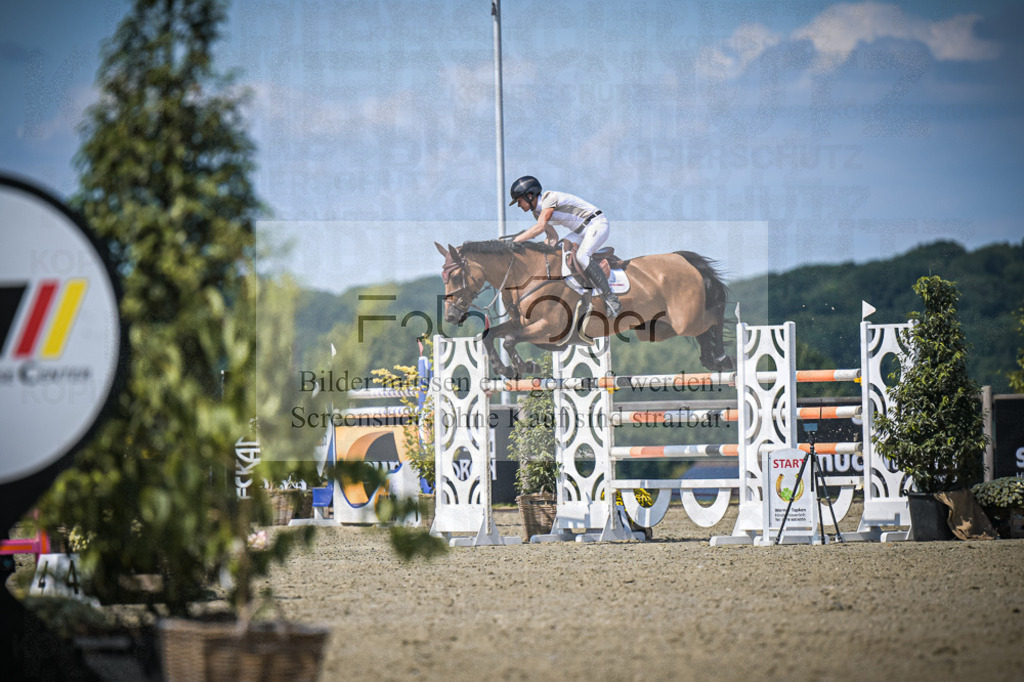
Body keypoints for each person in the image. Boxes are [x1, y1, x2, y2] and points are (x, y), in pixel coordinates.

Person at [509, 175, 621, 318]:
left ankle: (611, 298)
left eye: (519, 201)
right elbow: (552, 238)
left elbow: (540, 227)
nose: (519, 205)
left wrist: (515, 241)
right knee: (560, 252)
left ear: (530, 196)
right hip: (580, 232)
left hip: (597, 223)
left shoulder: (549, 199)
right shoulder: (537, 213)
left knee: (581, 256)